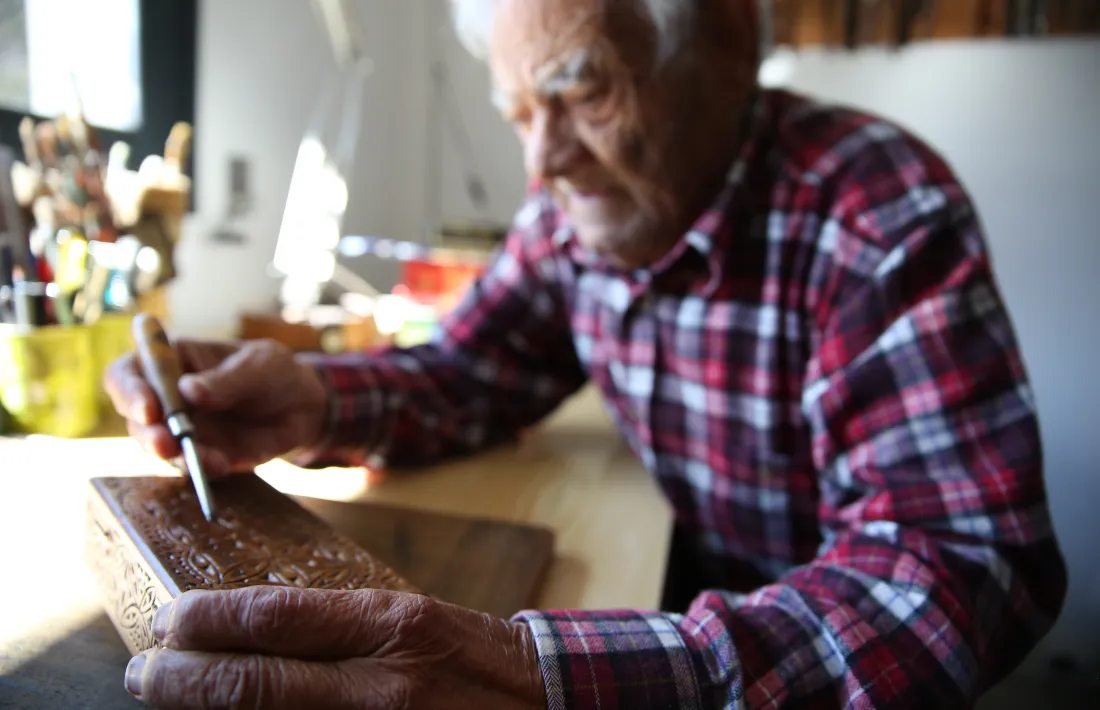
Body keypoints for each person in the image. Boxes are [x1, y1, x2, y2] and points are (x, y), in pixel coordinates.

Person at [105, 0, 1068, 708]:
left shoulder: (877, 211)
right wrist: (310, 399)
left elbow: (955, 575)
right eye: (521, 110)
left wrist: (548, 679)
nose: (543, 161)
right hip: (689, 606)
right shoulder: (574, 213)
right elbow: (468, 372)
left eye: (581, 88)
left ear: (729, 42)